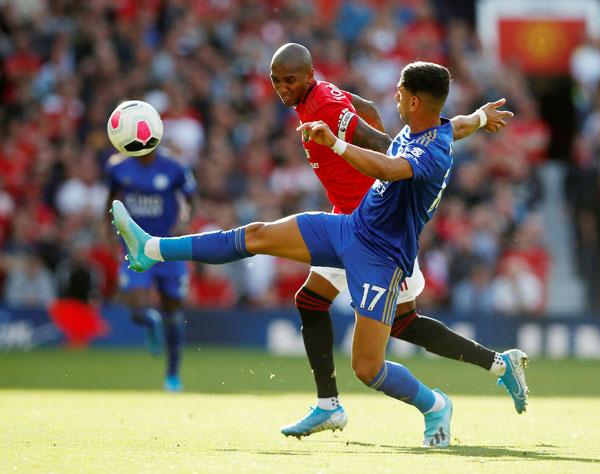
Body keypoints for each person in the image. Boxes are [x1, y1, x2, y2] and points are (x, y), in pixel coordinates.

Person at [112, 61, 522, 448]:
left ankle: (435, 405)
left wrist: (338, 142)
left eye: (400, 92)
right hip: (349, 226)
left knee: (369, 368)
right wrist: (483, 118)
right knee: (257, 235)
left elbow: (391, 169)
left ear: (414, 100)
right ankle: (151, 248)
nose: (393, 96)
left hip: (381, 258)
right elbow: (461, 123)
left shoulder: (429, 153)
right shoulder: (435, 128)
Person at [268, 43, 528, 438]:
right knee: (378, 316)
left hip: (372, 231)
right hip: (355, 221)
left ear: (305, 76)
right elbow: (381, 111)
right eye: (276, 81)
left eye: (287, 80)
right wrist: (477, 117)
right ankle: (498, 365)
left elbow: (381, 142)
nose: (281, 88)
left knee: (381, 322)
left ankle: (342, 405)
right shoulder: (321, 94)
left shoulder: (326, 107)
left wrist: (370, 160)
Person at [105, 147, 197, 392]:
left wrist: (184, 223)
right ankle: (149, 321)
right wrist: (111, 237)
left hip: (168, 247)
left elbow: (190, 202)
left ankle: (173, 375)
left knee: (174, 310)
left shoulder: (175, 166)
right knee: (136, 309)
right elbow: (110, 202)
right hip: (135, 248)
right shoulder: (117, 167)